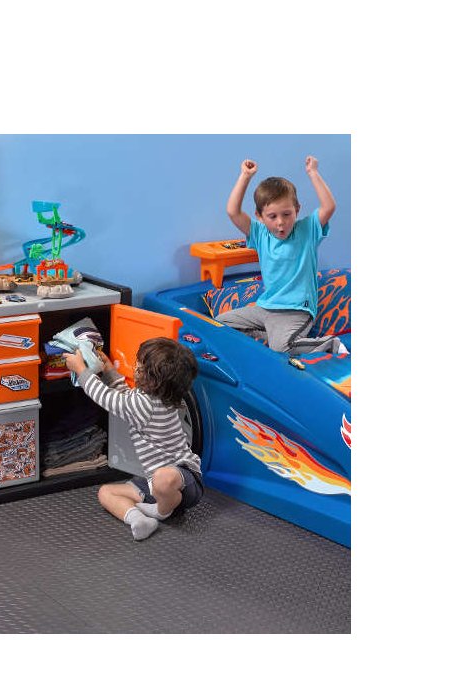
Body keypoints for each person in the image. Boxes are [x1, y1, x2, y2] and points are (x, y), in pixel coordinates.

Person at [63, 337, 203, 541]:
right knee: (106, 493)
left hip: (186, 480)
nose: (135, 366)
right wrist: (110, 371)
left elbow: (105, 397)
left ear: (154, 380)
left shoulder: (144, 404)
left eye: (140, 365)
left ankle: (162, 511)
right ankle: (138, 519)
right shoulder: (163, 395)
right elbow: (126, 398)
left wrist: (81, 370)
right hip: (155, 486)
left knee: (162, 477)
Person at [219, 156, 347, 355]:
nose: (280, 222)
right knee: (221, 323)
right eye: (272, 216)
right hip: (265, 307)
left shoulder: (307, 230)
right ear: (260, 216)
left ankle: (329, 344)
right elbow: (233, 211)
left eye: (287, 214)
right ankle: (273, 335)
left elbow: (328, 207)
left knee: (281, 348)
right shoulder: (259, 234)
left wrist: (313, 173)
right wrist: (245, 176)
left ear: (297, 210)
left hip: (296, 310)